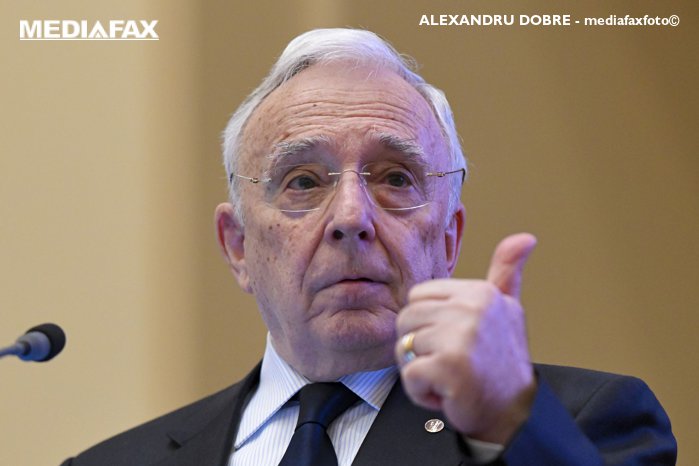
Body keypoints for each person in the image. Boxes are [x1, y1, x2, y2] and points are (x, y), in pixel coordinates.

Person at [62, 28, 676, 465]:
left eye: (395, 178)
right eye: (303, 182)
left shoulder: (584, 424)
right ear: (238, 247)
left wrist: (506, 422)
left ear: (449, 237)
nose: (352, 217)